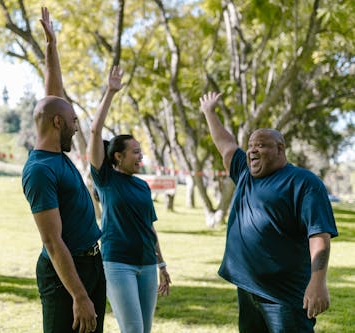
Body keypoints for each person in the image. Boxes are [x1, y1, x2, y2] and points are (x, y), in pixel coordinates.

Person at [199, 91, 338, 333]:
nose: (252, 150)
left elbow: (319, 235)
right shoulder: (244, 171)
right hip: (247, 288)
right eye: (251, 145)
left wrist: (318, 282)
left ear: (280, 149)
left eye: (261, 145)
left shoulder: (303, 182)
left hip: (284, 295)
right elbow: (226, 144)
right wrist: (209, 112)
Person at [22, 7, 106, 333]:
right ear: (58, 123)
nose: (75, 127)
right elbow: (53, 241)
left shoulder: (56, 152)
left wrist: (51, 46)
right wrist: (79, 295)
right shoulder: (40, 171)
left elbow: (54, 94)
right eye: (72, 122)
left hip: (91, 263)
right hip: (67, 279)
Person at [88, 66, 171, 333]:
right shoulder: (106, 180)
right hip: (117, 263)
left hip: (147, 263)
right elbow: (94, 131)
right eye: (135, 152)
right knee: (133, 330)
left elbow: (150, 228)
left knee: (144, 331)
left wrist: (161, 264)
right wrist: (110, 92)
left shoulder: (142, 187)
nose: (140, 157)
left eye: (141, 152)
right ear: (117, 156)